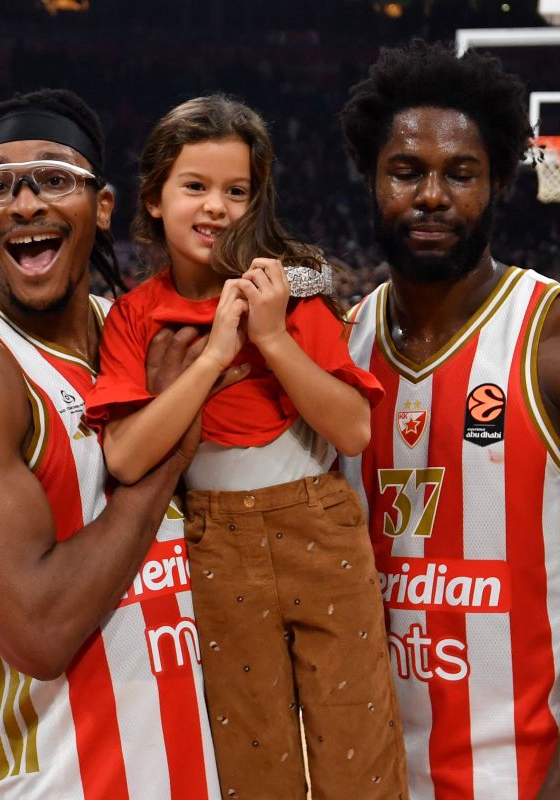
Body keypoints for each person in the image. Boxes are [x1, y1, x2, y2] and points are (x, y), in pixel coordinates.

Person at [337, 40, 560, 798]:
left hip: (544, 779)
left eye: (460, 173)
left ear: (498, 185)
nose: (431, 195)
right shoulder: (339, 348)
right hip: (384, 775)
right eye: (406, 171)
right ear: (371, 177)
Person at [84, 95, 406, 800]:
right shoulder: (134, 317)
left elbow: (351, 429)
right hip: (216, 538)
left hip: (319, 526)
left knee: (360, 748)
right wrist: (210, 360)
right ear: (154, 198)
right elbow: (127, 458)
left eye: (237, 191)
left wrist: (272, 338)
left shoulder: (287, 294)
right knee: (251, 759)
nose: (217, 207)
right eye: (195, 186)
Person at [0, 88, 221, 798]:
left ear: (102, 207)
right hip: (67, 780)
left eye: (53, 177)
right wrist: (170, 445)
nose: (24, 205)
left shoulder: (146, 334)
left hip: (204, 765)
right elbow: (38, 633)